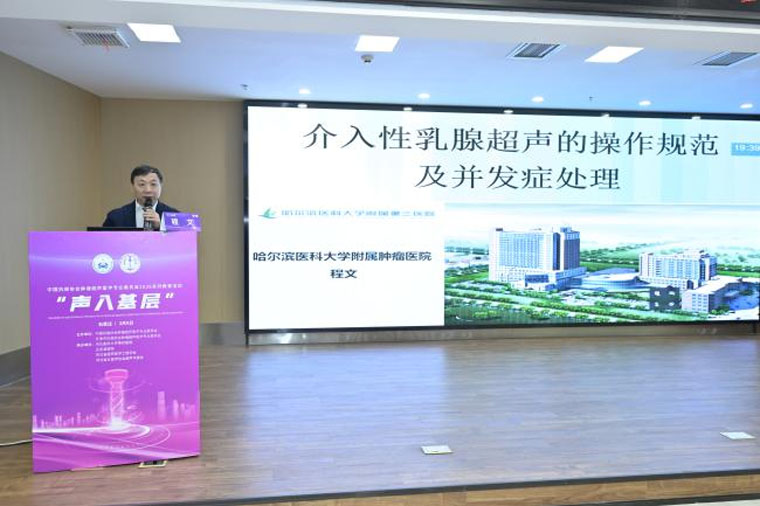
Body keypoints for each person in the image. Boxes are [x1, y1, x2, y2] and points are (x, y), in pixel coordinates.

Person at [102, 165, 179, 229]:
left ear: (161, 186)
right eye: (142, 184)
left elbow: (180, 241)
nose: (148, 190)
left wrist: (161, 227)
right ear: (132, 187)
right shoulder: (115, 217)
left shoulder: (175, 217)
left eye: (153, 184)